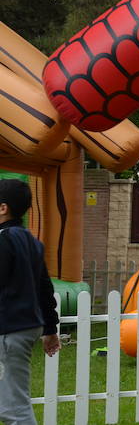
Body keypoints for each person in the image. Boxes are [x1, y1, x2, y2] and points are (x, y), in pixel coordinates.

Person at [0, 179, 61, 425]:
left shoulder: (4, 239)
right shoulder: (32, 241)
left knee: (15, 408)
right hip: (25, 326)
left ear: (3, 208)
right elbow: (44, 288)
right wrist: (50, 328)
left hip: (8, 327)